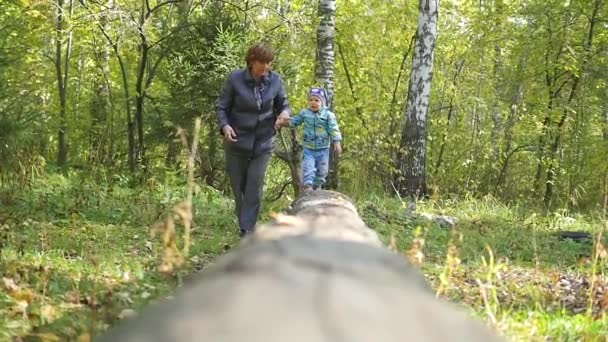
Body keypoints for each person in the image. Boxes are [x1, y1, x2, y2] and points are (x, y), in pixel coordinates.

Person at [215, 42, 291, 237]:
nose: (266, 67)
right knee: (238, 185)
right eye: (262, 62)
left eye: (269, 63)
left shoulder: (275, 81)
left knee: (254, 184)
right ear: (251, 62)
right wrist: (225, 126)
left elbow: (284, 104)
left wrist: (284, 114)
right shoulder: (235, 80)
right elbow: (222, 107)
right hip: (236, 140)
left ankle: (247, 230)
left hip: (263, 141)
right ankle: (244, 222)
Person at [282, 87, 342, 192]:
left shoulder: (328, 115)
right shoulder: (305, 113)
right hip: (309, 148)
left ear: (322, 102)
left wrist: (336, 141)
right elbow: (295, 121)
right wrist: (284, 122)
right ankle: (308, 186)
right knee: (308, 168)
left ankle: (318, 187)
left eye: (316, 100)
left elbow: (333, 129)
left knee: (322, 171)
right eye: (311, 100)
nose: (313, 103)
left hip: (323, 148)